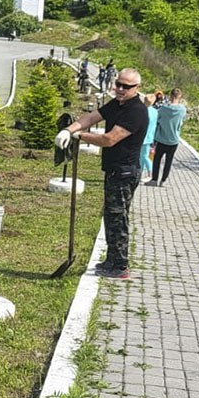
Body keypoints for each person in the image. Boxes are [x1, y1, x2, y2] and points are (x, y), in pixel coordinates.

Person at [56, 68, 148, 280]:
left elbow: (110, 139)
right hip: (115, 170)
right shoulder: (117, 104)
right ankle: (112, 259)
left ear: (137, 89)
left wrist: (80, 136)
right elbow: (91, 117)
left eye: (126, 86)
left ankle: (121, 266)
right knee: (110, 215)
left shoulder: (135, 111)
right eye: (118, 84)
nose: (121, 89)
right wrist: (68, 130)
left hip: (125, 172)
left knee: (118, 217)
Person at [148, 88, 187, 187]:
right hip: (174, 139)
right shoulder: (182, 110)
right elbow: (182, 121)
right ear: (180, 97)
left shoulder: (163, 109)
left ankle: (154, 179)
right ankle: (163, 180)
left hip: (161, 138)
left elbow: (158, 121)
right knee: (168, 161)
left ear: (170, 96)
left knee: (157, 160)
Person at [139, 94, 158, 181]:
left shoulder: (143, 111)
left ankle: (150, 174)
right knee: (143, 156)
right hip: (150, 136)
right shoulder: (155, 111)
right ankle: (140, 172)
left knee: (144, 156)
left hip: (142, 137)